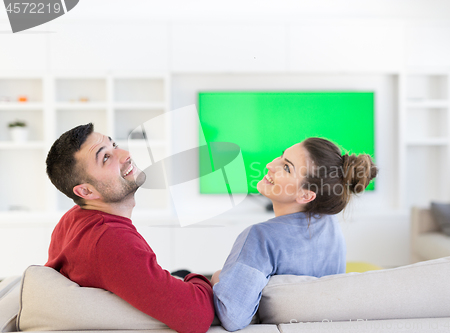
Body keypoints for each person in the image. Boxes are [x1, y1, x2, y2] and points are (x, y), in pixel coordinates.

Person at [44, 123, 214, 333]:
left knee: (181, 273)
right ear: (86, 192)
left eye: (113, 145)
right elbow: (197, 317)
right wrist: (206, 280)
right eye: (105, 158)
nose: (125, 154)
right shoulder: (109, 240)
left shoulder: (74, 217)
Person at [211, 137, 378, 331]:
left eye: (287, 167)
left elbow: (233, 317)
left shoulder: (260, 238)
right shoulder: (331, 224)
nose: (270, 165)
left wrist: (218, 277)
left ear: (306, 195)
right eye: (281, 157)